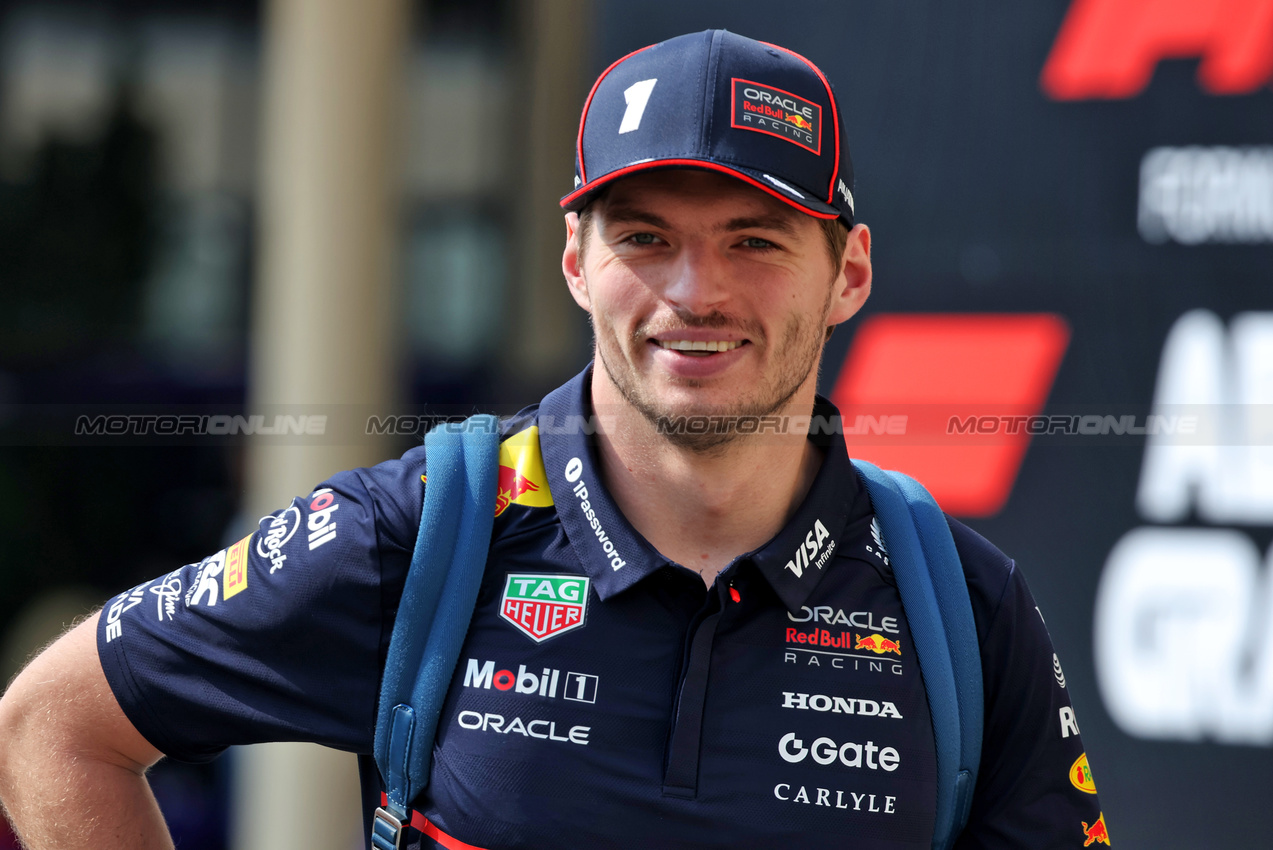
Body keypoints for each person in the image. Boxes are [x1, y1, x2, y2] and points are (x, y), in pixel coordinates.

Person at [0, 30, 1107, 850]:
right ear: (576, 263)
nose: (694, 289)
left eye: (754, 240)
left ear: (848, 273)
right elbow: (52, 726)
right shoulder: (422, 532)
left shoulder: (959, 606)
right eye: (644, 237)